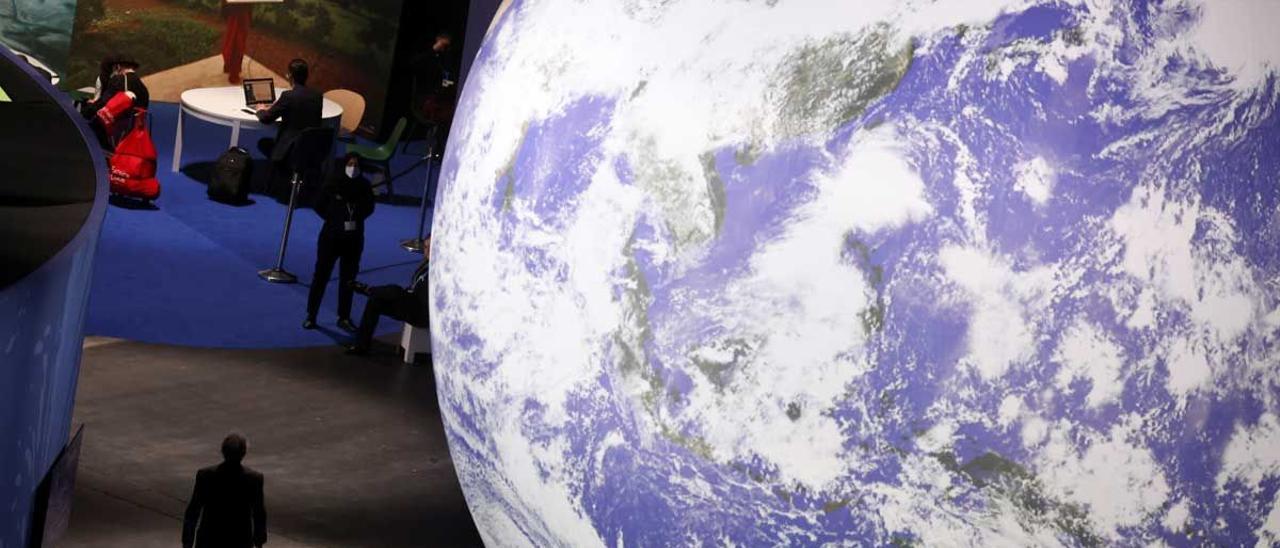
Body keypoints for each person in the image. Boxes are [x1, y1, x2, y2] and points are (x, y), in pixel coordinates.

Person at [305, 153, 375, 332]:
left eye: (357, 165)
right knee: (321, 277)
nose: (353, 168)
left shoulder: (364, 186)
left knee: (349, 280)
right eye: (350, 164)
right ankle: (311, 315)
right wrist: (333, 218)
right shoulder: (332, 184)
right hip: (331, 238)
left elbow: (370, 208)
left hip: (354, 240)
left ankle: (343, 317)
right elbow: (318, 204)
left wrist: (356, 216)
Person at [346, 239, 430, 355]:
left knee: (395, 290)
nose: (428, 250)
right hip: (412, 304)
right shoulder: (425, 264)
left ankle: (368, 289)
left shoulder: (440, 270)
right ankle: (361, 345)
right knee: (375, 301)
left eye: (431, 247)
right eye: (426, 247)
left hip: (423, 313)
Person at [182, 434, 267, 548]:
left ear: (223, 451)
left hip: (209, 539)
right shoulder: (254, 479)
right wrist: (259, 541)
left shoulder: (206, 476)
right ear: (243, 453)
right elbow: (259, 513)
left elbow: (193, 510)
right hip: (240, 540)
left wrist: (187, 541)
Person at [255, 58, 322, 191]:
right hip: (311, 148)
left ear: (290, 76)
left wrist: (261, 110)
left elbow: (266, 119)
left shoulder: (288, 96)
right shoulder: (317, 96)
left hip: (289, 150)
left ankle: (280, 172)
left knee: (263, 143)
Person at [221, 0, 253, 84]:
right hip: (237, 11)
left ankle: (229, 67)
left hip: (239, 9)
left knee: (233, 40)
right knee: (236, 42)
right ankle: (233, 74)